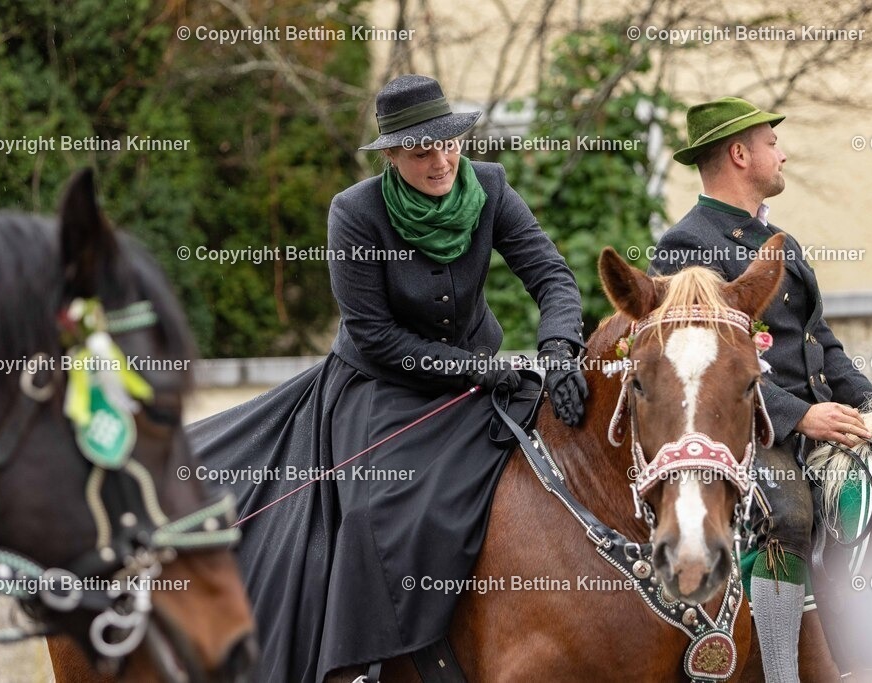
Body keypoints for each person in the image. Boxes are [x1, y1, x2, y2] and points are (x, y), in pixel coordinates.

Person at [190, 74, 587, 682]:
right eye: (421, 151)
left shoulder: (491, 187)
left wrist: (558, 349)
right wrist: (475, 368)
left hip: (483, 379)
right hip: (383, 386)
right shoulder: (355, 213)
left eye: (448, 144)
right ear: (393, 156)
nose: (441, 161)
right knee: (373, 510)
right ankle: (366, 666)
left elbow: (552, 276)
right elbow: (374, 335)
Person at [650, 96, 872, 683]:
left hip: (815, 421)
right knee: (789, 510)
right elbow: (698, 365)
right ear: (739, 153)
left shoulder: (782, 241)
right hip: (746, 428)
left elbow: (822, 343)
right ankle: (780, 672)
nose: (783, 154)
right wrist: (800, 416)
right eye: (772, 144)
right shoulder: (686, 246)